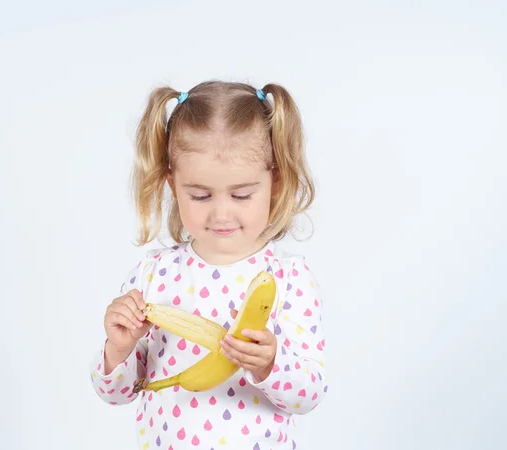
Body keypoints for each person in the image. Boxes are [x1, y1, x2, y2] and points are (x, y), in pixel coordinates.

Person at [89, 80, 328, 449]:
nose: (221, 213)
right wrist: (117, 350)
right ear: (172, 183)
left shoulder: (288, 280)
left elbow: (309, 395)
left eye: (241, 194)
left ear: (275, 181)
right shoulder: (153, 275)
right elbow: (117, 394)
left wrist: (271, 364)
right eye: (199, 195)